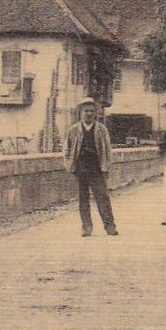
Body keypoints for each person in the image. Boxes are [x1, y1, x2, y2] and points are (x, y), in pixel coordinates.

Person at [63, 98, 117, 237]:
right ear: (80, 113)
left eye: (92, 111)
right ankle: (86, 227)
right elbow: (66, 150)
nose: (89, 114)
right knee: (83, 198)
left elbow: (108, 150)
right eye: (86, 111)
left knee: (102, 197)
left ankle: (110, 226)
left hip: (96, 167)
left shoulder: (102, 130)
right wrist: (70, 165)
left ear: (96, 114)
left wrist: (106, 167)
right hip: (80, 167)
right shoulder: (73, 130)